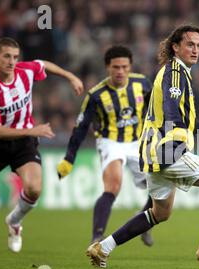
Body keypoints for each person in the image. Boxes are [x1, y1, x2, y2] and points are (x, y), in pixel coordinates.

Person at [86, 25, 199, 268]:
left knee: (160, 213)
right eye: (190, 44)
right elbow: (171, 107)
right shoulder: (175, 73)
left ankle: (102, 248)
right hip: (169, 150)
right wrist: (176, 137)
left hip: (152, 152)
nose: (195, 50)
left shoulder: (176, 72)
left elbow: (182, 116)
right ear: (175, 47)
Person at [0, 37, 83, 253]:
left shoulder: (25, 71)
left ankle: (14, 221)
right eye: (7, 56)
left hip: (23, 144)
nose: (11, 61)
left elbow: (44, 64)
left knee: (34, 189)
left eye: (15, 57)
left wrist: (70, 76)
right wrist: (32, 130)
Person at [56, 45, 154, 246]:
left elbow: (156, 111)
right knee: (113, 185)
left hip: (138, 142)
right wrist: (69, 159)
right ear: (107, 67)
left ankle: (143, 221)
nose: (120, 71)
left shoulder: (142, 84)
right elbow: (80, 128)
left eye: (124, 67)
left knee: (162, 187)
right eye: (116, 67)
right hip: (111, 143)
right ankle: (97, 238)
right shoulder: (96, 95)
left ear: (130, 67)